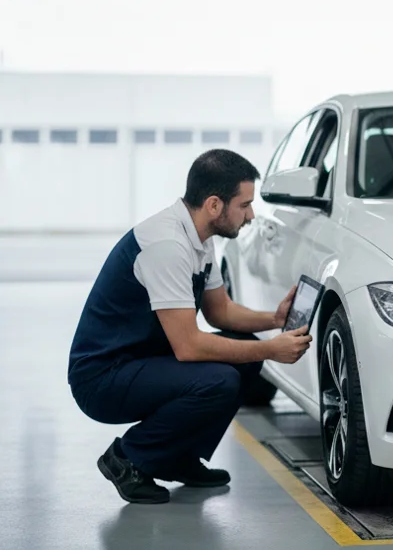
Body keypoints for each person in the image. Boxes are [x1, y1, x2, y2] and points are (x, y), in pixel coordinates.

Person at [67, 149, 312, 504]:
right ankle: (128, 458)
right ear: (214, 205)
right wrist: (271, 349)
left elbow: (221, 312)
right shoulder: (167, 246)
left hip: (141, 360)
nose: (251, 215)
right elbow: (190, 347)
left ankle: (177, 457)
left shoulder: (200, 237)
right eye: (244, 205)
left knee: (243, 355)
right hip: (103, 377)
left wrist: (273, 320)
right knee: (220, 379)